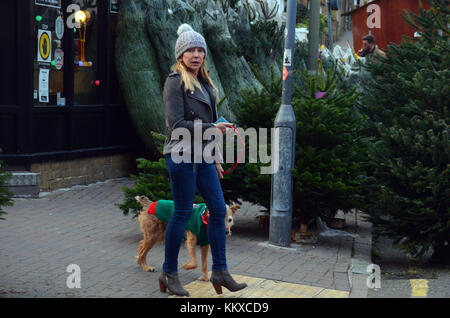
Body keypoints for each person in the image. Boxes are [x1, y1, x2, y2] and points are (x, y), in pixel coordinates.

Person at [158, 23, 247, 297]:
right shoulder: (175, 82)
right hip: (182, 155)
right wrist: (212, 129)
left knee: (219, 211)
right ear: (180, 55)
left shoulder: (206, 83)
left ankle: (220, 271)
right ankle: (169, 272)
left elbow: (210, 123)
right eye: (190, 50)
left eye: (200, 50)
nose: (196, 55)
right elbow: (176, 125)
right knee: (183, 213)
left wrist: (216, 157)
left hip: (204, 158)